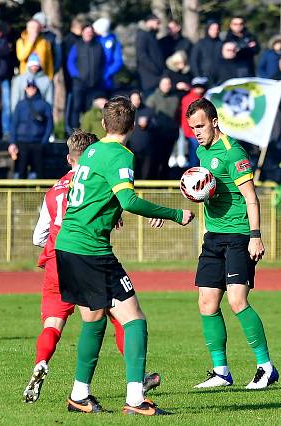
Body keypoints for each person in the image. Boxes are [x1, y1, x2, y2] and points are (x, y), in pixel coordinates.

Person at [54, 96, 193, 415]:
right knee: (135, 321)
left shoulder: (91, 150)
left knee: (94, 318)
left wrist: (115, 210)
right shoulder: (121, 154)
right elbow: (128, 200)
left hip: (68, 244)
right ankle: (135, 400)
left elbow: (100, 195)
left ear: (103, 124)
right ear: (132, 126)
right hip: (92, 249)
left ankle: (79, 395)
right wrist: (172, 214)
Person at [23, 129, 161, 404]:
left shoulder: (54, 191)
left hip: (55, 260)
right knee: (123, 315)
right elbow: (121, 203)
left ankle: (45, 365)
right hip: (88, 254)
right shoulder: (100, 174)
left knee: (56, 323)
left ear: (68, 157)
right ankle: (135, 383)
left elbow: (39, 236)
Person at [186, 98, 277, 390]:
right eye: (192, 128)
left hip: (239, 236)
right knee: (207, 303)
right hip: (213, 236)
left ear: (214, 121)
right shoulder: (202, 150)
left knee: (238, 301)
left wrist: (255, 235)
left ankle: (265, 367)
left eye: (200, 125)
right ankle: (221, 371)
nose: (196, 132)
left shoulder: (233, 152)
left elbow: (251, 197)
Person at [9, 80, 53, 179]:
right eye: (29, 87)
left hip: (37, 142)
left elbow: (49, 124)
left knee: (39, 172)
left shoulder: (44, 104)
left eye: (33, 87)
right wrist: (12, 142)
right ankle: (20, 192)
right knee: (21, 171)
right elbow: (14, 124)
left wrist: (44, 141)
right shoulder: (20, 104)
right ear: (25, 89)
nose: (31, 89)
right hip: (22, 142)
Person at [67, 24, 106, 130]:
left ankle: (87, 130)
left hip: (94, 84)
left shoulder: (98, 46)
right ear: (82, 33)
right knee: (77, 106)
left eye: (90, 31)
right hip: (79, 83)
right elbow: (71, 62)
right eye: (86, 31)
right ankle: (74, 131)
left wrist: (101, 75)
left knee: (89, 108)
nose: (88, 33)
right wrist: (76, 75)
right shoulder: (77, 46)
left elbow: (103, 62)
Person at [146, 76, 180, 175]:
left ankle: (164, 182)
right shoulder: (153, 98)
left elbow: (177, 116)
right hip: (157, 135)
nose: (167, 86)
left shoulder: (175, 98)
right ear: (160, 85)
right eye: (164, 84)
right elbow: (148, 114)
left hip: (170, 134)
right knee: (155, 160)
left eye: (168, 84)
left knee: (166, 160)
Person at [128, 91, 158, 179]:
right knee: (133, 172)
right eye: (134, 99)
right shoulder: (127, 112)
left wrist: (148, 124)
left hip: (146, 148)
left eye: (138, 99)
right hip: (131, 148)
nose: (136, 101)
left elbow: (156, 125)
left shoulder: (148, 110)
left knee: (146, 173)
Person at [63, 17, 86, 130]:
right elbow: (69, 61)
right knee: (72, 104)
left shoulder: (78, 40)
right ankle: (69, 128)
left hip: (78, 78)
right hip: (72, 79)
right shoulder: (70, 40)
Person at [180, 77, 208, 167]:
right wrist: (188, 132)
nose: (199, 89)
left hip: (205, 132)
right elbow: (186, 118)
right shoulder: (187, 99)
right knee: (194, 154)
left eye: (201, 86)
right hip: (192, 133)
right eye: (197, 86)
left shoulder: (206, 98)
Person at [135, 15, 165, 96]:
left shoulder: (151, 35)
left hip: (156, 76)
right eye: (157, 22)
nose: (158, 25)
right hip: (148, 78)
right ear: (149, 21)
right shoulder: (142, 35)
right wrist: (155, 69)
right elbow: (141, 55)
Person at [92, 18, 123, 93]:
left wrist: (107, 73)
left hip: (108, 80)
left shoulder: (113, 40)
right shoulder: (93, 39)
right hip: (92, 79)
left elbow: (118, 61)